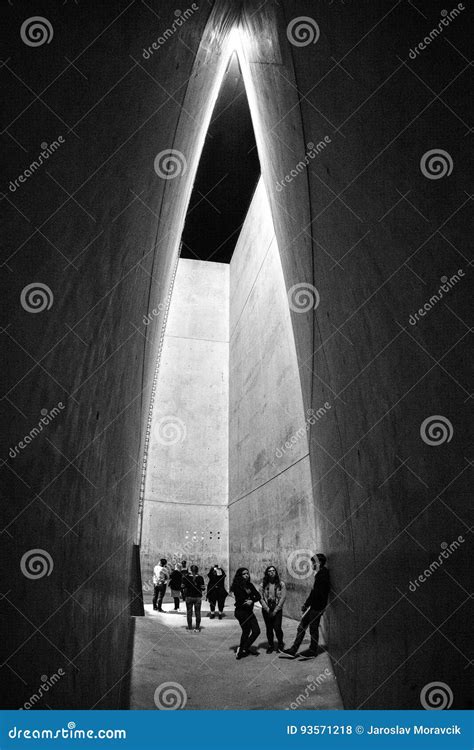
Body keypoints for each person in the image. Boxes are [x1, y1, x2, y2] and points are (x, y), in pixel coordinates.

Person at [282, 553, 330, 658]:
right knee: (302, 627)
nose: (312, 564)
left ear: (319, 563)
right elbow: (314, 592)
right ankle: (294, 650)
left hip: (316, 608)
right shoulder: (320, 574)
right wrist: (307, 604)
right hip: (313, 607)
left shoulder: (323, 575)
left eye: (313, 562)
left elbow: (320, 594)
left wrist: (317, 607)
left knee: (312, 628)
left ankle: (312, 651)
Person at [230, 567, 261, 659]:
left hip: (249, 611)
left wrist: (251, 599)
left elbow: (258, 596)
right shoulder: (236, 586)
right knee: (246, 631)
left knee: (256, 631)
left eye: (247, 573)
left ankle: (244, 648)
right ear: (240, 575)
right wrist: (250, 598)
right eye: (244, 574)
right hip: (241, 612)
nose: (246, 575)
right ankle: (241, 650)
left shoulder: (250, 585)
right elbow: (240, 599)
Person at [260, 565, 286, 653]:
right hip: (266, 608)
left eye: (274, 571)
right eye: (270, 571)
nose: (272, 572)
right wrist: (267, 609)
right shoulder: (263, 584)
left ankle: (280, 643)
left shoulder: (281, 584)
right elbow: (261, 598)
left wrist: (276, 610)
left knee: (277, 627)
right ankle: (271, 645)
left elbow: (283, 598)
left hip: (277, 608)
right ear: (267, 573)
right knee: (269, 628)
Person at [182, 564, 205, 631]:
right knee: (198, 613)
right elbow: (203, 588)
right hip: (197, 597)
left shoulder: (186, 577)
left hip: (189, 597)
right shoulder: (200, 578)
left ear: (190, 570)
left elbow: (182, 586)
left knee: (189, 612)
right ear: (197, 570)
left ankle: (189, 627)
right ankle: (197, 628)